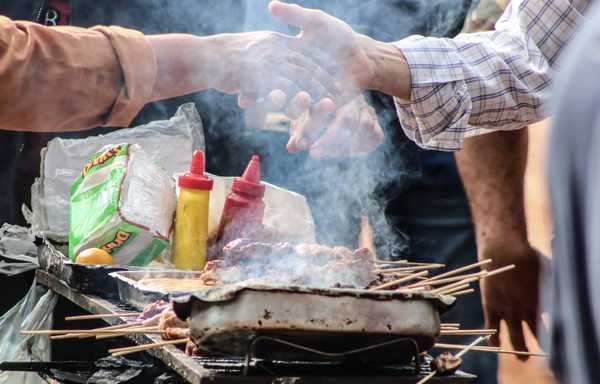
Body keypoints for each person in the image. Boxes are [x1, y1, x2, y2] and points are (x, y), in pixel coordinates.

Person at [261, 0, 587, 360]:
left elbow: (512, 45)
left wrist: (500, 233)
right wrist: (337, 74)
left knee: (454, 338)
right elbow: (525, 50)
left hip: (449, 137)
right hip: (322, 120)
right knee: (306, 328)